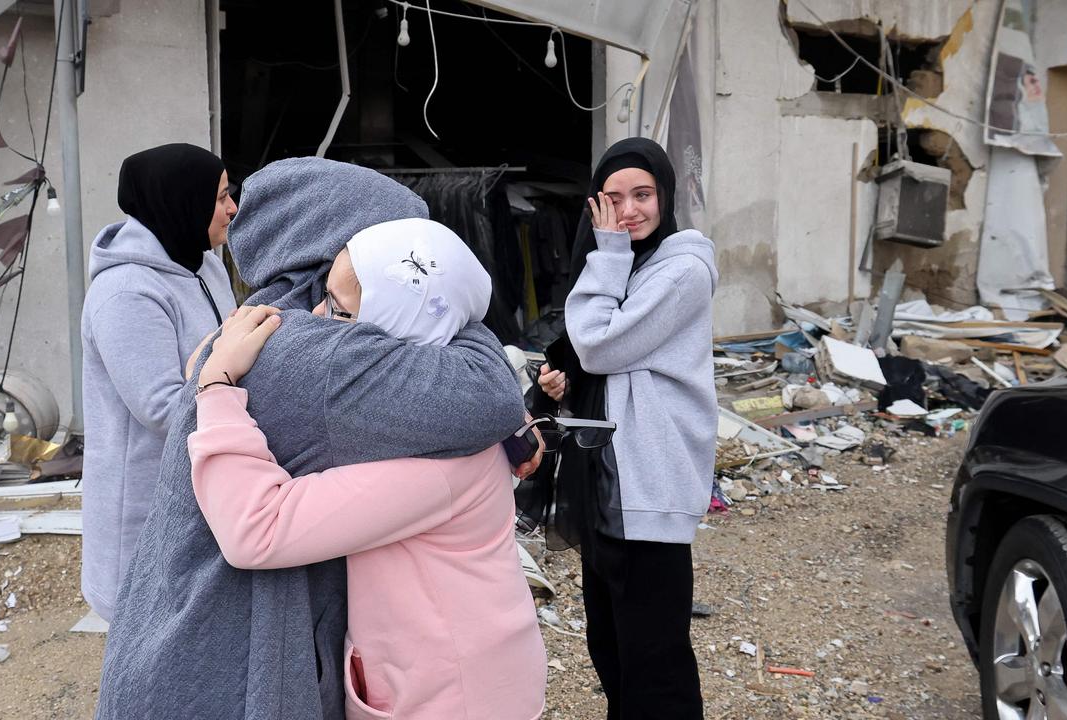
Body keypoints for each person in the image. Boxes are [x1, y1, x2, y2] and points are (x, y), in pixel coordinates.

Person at [96, 158, 532, 720]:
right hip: (220, 652)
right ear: (337, 247)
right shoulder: (316, 351)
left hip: (176, 624)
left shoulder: (273, 316)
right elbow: (491, 396)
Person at [190, 218, 547, 719]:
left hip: (452, 695)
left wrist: (218, 388)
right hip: (462, 664)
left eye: (337, 308)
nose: (314, 315)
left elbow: (258, 529)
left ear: (396, 321)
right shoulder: (439, 406)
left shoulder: (435, 460)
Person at [529, 137, 719, 719]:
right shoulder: (625, 266)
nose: (629, 211)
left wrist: (607, 250)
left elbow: (602, 343)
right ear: (595, 205)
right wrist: (558, 383)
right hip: (607, 485)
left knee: (655, 664)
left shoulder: (683, 268)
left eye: (642, 195)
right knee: (610, 652)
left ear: (665, 196)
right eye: (613, 200)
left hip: (651, 486)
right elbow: (581, 352)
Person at [79, 143, 238, 622]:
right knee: (147, 638)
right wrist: (240, 381)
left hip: (197, 487)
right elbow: (164, 409)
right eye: (221, 198)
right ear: (181, 202)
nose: (233, 208)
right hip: (146, 502)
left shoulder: (201, 260)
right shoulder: (127, 292)